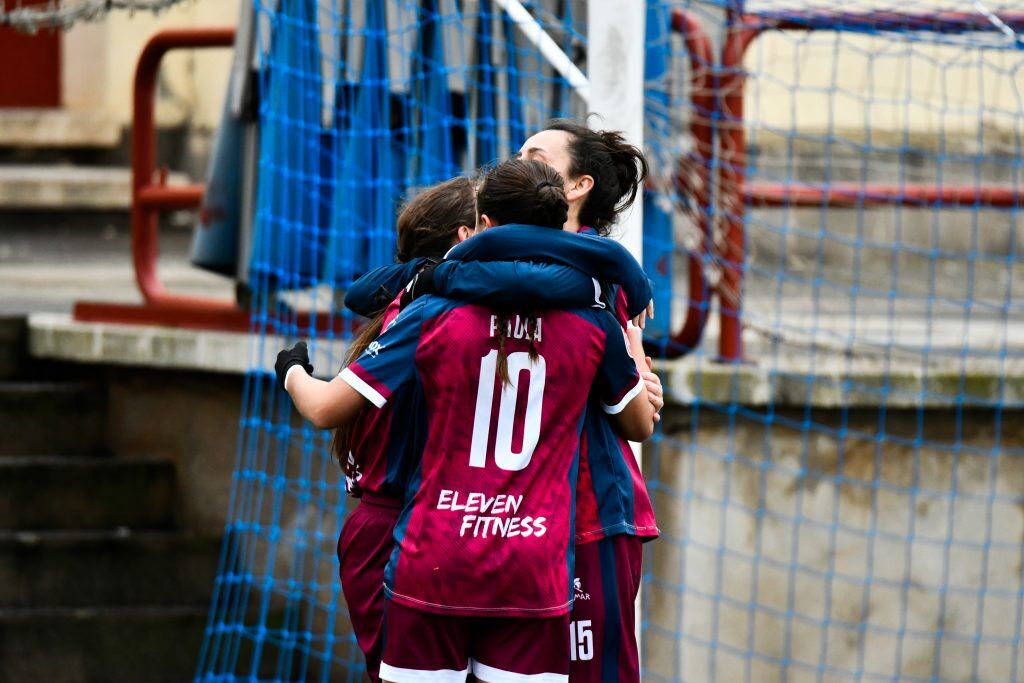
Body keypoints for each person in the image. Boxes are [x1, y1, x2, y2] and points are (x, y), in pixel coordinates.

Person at [280, 158, 656, 683]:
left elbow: (326, 407)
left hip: (435, 558)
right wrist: (638, 359)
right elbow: (639, 425)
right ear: (561, 226)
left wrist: (291, 370)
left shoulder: (433, 308)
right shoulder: (594, 320)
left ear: (482, 224)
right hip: (533, 567)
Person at [397, 120, 663, 682]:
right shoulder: (486, 273)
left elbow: (638, 412)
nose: (519, 162)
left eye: (536, 155)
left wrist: (641, 375)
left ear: (578, 186)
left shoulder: (597, 276)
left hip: (589, 514)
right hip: (503, 526)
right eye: (517, 154)